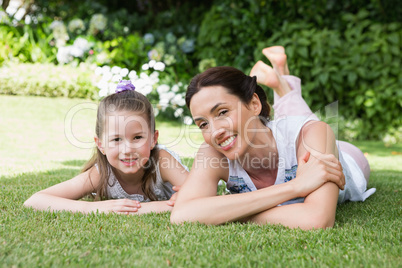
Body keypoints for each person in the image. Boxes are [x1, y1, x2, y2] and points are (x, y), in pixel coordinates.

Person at [170, 46, 375, 229]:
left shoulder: (311, 133)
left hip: (349, 157)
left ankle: (281, 82)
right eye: (203, 124)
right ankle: (281, 77)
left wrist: (221, 212)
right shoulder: (213, 153)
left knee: (304, 123)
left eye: (223, 112)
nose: (215, 132)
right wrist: (294, 186)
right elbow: (182, 215)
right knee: (282, 124)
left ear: (253, 104)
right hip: (272, 133)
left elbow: (316, 219)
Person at [24, 80, 188, 214]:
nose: (128, 149)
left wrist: (148, 208)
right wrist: (92, 208)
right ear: (101, 145)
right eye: (116, 139)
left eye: (137, 137)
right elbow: (35, 201)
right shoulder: (102, 173)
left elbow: (202, 196)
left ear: (153, 139)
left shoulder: (162, 161)